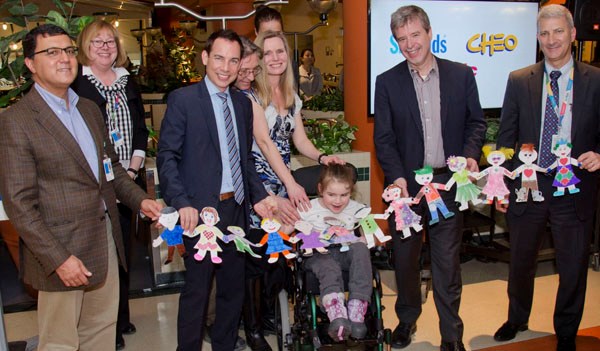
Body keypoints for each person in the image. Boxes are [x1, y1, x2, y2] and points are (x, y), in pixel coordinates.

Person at [0, 24, 162, 351]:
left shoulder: (88, 109)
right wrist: (59, 259)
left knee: (101, 332)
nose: (65, 59)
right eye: (52, 52)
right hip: (60, 248)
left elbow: (110, 171)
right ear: (30, 64)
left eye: (69, 51)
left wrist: (141, 202)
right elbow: (19, 204)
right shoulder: (17, 120)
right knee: (59, 341)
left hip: (104, 239)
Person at [373, 5, 486, 351]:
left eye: (415, 35)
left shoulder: (460, 75)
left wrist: (469, 154)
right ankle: (407, 319)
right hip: (406, 191)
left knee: (447, 263)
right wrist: (396, 177)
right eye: (402, 39)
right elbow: (384, 138)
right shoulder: (387, 82)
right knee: (405, 260)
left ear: (429, 32)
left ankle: (451, 334)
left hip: (447, 186)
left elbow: (476, 123)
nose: (410, 44)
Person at [157, 29, 275, 351]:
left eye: (233, 60)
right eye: (219, 58)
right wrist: (181, 202)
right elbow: (167, 156)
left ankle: (224, 345)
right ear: (206, 58)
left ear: (240, 65)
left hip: (235, 209)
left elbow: (244, 158)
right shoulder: (183, 100)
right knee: (197, 291)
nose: (226, 67)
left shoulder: (242, 103)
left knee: (232, 289)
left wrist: (260, 196)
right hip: (200, 212)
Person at [493, 5, 600, 351]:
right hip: (529, 188)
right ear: (538, 39)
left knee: (572, 266)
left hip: (575, 186)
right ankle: (517, 317)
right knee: (520, 260)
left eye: (558, 32)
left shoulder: (596, 80)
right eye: (544, 33)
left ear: (572, 34)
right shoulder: (519, 79)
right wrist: (502, 182)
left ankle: (566, 331)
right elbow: (505, 138)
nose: (551, 40)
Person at [71, 19, 148, 350]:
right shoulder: (76, 83)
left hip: (129, 177)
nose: (105, 47)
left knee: (125, 251)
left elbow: (142, 130)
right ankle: (108, 327)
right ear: (85, 48)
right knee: (103, 252)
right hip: (95, 182)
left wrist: (131, 172)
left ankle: (123, 314)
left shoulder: (128, 81)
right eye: (97, 42)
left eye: (110, 42)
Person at [298, 164, 373, 341]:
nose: (338, 201)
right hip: (318, 255)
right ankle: (336, 312)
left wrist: (365, 239)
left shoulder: (356, 209)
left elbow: (368, 234)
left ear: (351, 192)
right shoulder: (307, 208)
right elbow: (287, 228)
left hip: (345, 251)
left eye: (344, 195)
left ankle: (357, 307)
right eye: (331, 195)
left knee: (361, 249)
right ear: (320, 190)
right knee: (328, 266)